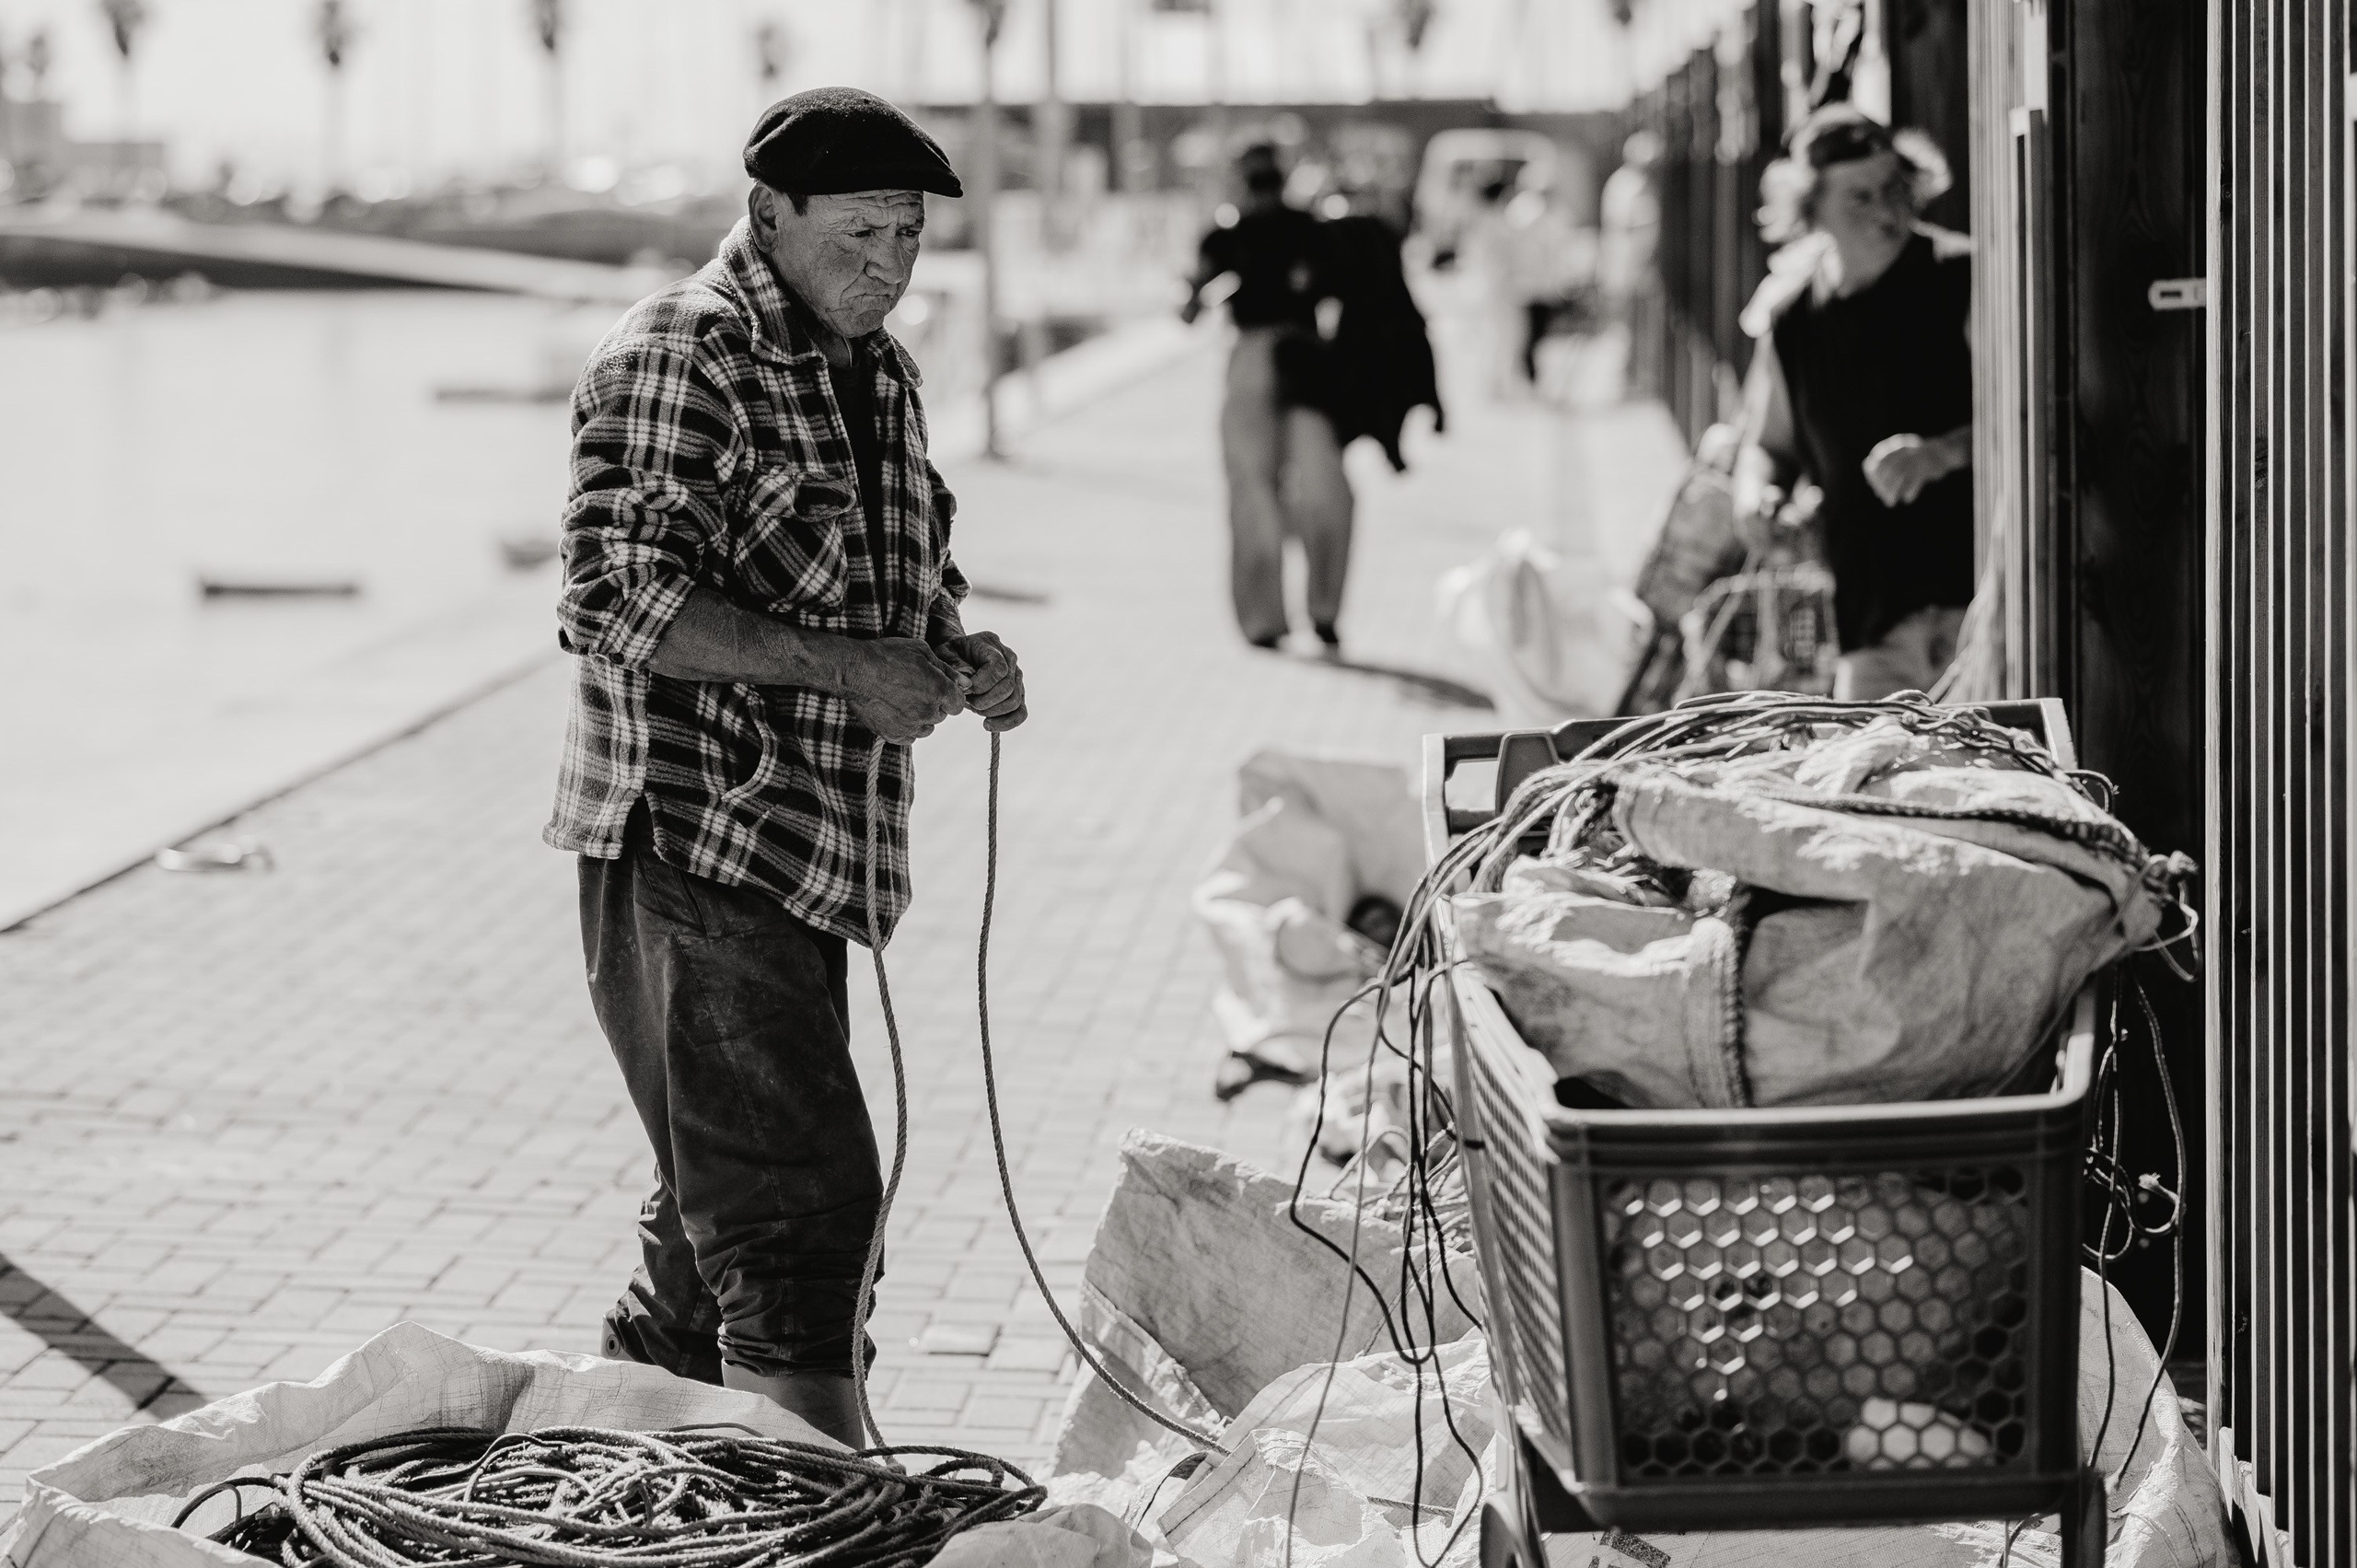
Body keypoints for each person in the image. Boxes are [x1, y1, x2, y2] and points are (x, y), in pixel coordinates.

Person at [544, 87, 1028, 1447]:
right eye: (859, 233)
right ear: (767, 214)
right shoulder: (680, 352)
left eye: (910, 237)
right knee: (802, 1212)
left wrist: (951, 649)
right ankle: (825, 1512)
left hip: (810, 853)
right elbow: (612, 599)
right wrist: (846, 667)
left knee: (718, 1229)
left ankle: (614, 1466)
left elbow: (897, 581)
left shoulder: (878, 366)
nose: (888, 264)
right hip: (693, 838)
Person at [1732, 105, 1972, 700]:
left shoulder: (1963, 276)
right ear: (1809, 209)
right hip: (1869, 621)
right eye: (1859, 197)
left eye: (1895, 188)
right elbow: (1767, 443)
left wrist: (1940, 453)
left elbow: (2032, 418)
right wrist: (1754, 497)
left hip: (1978, 606)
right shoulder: (1790, 321)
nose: (1886, 210)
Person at [1181, 144, 1353, 653]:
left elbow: (1345, 293)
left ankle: (1313, 612)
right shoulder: (1229, 237)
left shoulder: (1309, 231)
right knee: (1259, 494)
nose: (1263, 191)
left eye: (1267, 180)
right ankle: (1269, 617)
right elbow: (1190, 305)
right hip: (1268, 357)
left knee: (1317, 491)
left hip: (1297, 361)